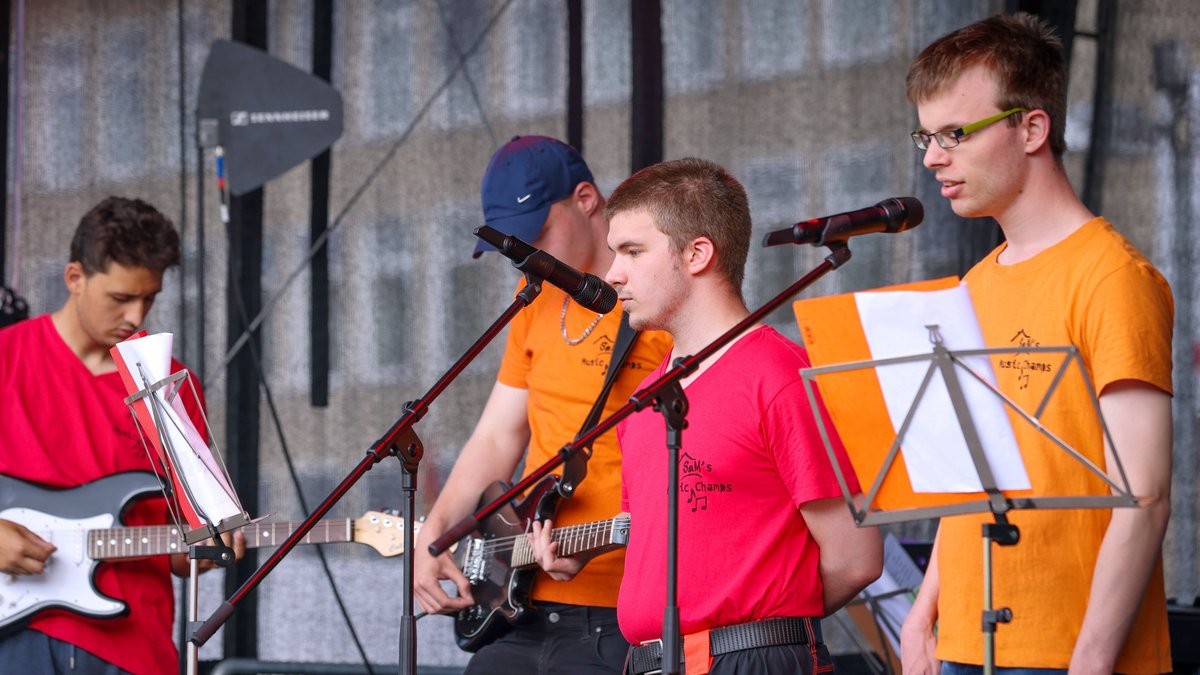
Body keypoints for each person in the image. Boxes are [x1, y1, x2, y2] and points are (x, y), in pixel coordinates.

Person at [531, 157, 883, 674]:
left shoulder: (779, 374)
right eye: (614, 253)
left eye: (633, 251)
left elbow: (855, 559)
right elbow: (663, 534)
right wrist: (587, 550)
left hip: (749, 657)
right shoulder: (646, 398)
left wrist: (759, 632)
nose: (612, 274)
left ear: (697, 254)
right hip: (649, 660)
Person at [900, 13, 1174, 675]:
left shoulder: (1112, 275)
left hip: (1065, 651)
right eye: (926, 137)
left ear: (1032, 128)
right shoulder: (974, 282)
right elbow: (971, 480)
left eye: (954, 134)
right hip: (964, 640)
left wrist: (1091, 657)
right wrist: (921, 613)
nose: (933, 157)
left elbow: (1147, 495)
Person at [412, 136, 673, 674]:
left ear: (585, 199)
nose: (529, 257)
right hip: (524, 597)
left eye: (537, 235)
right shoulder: (533, 300)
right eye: (516, 247)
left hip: (622, 611)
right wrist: (435, 534)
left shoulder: (656, 299)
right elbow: (497, 436)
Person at [0, 196, 245, 675]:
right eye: (120, 298)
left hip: (133, 647)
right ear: (75, 278)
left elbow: (182, 556)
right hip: (15, 640)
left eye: (149, 297)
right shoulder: (6, 357)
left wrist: (211, 546)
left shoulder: (171, 384)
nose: (136, 316)